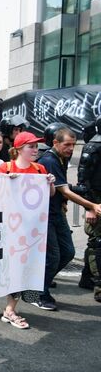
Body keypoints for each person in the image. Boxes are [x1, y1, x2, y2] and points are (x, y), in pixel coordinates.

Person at [0, 132, 55, 328]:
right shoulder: (5, 167)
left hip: (29, 229)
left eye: (36, 147)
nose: (36, 150)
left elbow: (50, 195)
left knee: (21, 268)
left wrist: (50, 183)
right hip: (4, 227)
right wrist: (5, 182)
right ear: (19, 149)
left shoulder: (40, 169)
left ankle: (10, 310)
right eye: (31, 146)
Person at [36, 127, 101, 310]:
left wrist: (63, 202)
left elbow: (61, 190)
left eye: (73, 144)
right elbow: (65, 190)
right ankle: (39, 292)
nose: (71, 148)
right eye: (67, 144)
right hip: (46, 215)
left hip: (57, 212)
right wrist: (91, 206)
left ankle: (39, 284)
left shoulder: (61, 158)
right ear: (55, 143)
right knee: (54, 256)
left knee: (68, 252)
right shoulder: (49, 160)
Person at [77, 118, 101, 300]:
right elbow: (83, 181)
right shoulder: (93, 147)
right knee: (97, 242)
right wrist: (89, 207)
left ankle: (87, 277)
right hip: (96, 199)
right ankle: (99, 286)